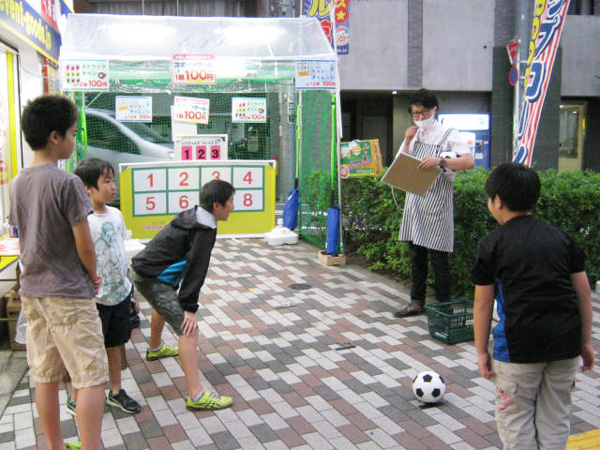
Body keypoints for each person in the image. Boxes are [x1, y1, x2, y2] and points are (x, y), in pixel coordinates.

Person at [9, 95, 108, 450]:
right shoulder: (66, 183)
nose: (73, 140)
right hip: (69, 292)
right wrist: (92, 275)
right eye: (70, 133)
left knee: (45, 375)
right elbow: (85, 245)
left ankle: (53, 445)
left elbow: (23, 236)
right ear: (55, 137)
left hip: (33, 292)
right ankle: (91, 445)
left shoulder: (18, 182)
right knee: (90, 375)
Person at [472, 163, 594, 450]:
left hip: (517, 349)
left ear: (498, 201)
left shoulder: (491, 244)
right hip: (565, 346)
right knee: (555, 420)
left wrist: (481, 351)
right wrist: (585, 342)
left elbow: (482, 303)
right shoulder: (562, 239)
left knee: (516, 423)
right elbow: (583, 294)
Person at [131, 179, 235, 410]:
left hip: (147, 272)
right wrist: (189, 309)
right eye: (230, 201)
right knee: (189, 330)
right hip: (153, 278)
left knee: (165, 303)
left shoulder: (196, 216)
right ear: (217, 205)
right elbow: (196, 270)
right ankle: (196, 395)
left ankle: (155, 349)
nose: (233, 206)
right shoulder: (204, 229)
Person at [69, 157, 142, 415]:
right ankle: (77, 395)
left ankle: (116, 390)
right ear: (88, 188)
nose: (113, 187)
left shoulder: (117, 214)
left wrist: (130, 291)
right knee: (88, 350)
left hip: (119, 294)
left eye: (113, 181)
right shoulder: (82, 221)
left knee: (116, 343)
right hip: (94, 299)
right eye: (106, 182)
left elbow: (120, 252)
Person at [394, 88, 475, 317]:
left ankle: (443, 307)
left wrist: (440, 161)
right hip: (415, 201)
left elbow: (469, 162)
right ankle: (416, 301)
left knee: (439, 258)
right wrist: (408, 138)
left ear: (434, 110)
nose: (419, 118)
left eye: (423, 113)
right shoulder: (415, 134)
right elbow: (401, 161)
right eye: (415, 114)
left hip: (437, 201)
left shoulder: (449, 133)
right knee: (416, 255)